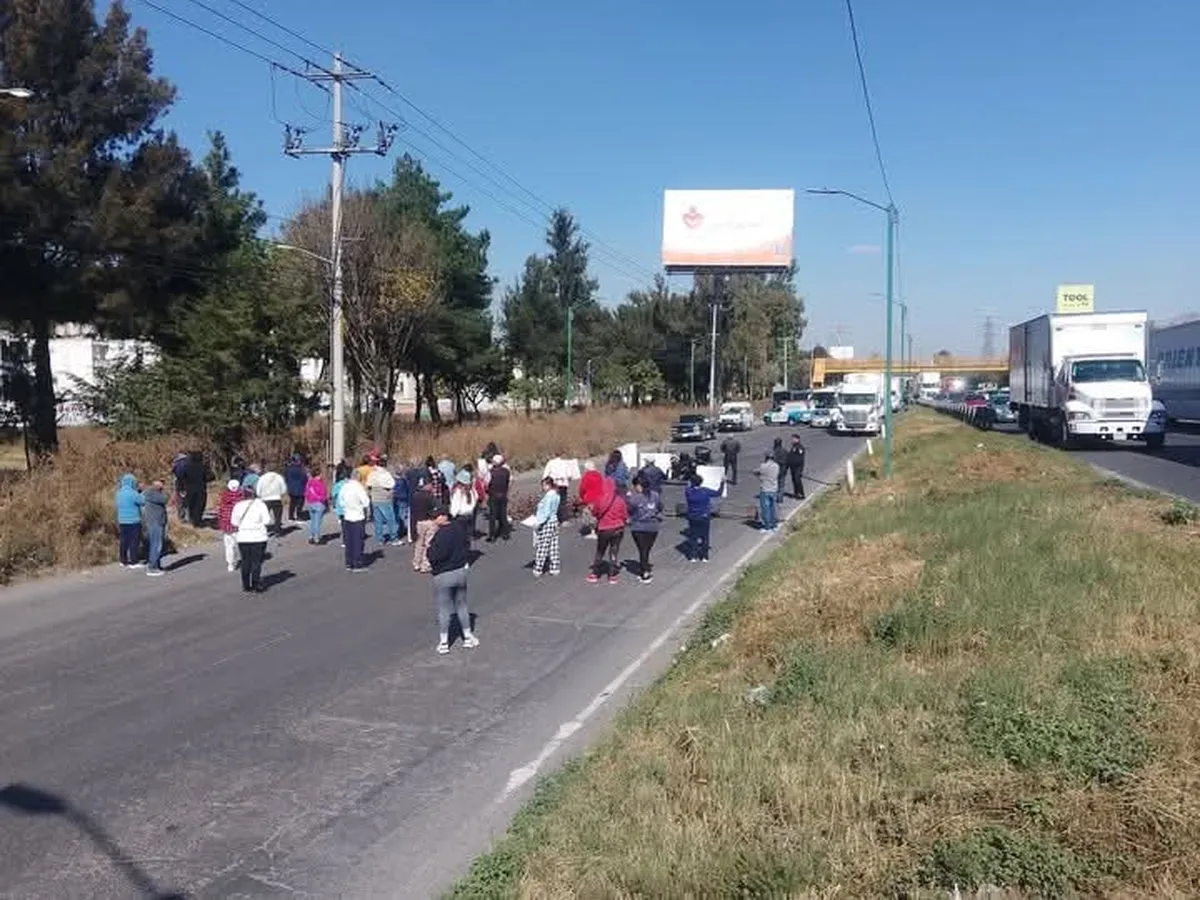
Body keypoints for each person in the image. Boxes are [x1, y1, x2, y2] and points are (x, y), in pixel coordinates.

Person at [426, 505, 479, 655]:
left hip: (443, 575)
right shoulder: (459, 529)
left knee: (444, 609)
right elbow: (466, 546)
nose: (434, 519)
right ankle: (468, 638)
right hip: (460, 571)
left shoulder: (440, 535)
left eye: (436, 516)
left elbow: (434, 556)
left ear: (444, 516)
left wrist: (430, 549)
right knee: (462, 605)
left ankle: (444, 643)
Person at [579, 465, 628, 584]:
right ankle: (612, 575)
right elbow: (625, 515)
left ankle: (595, 573)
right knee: (614, 550)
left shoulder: (600, 499)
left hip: (604, 528)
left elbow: (595, 513)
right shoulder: (620, 500)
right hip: (618, 528)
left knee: (600, 551)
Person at [231, 486, 272, 593]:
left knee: (245, 561)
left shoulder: (238, 506)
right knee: (256, 561)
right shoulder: (260, 504)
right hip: (258, 536)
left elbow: (234, 522)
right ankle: (256, 583)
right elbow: (267, 520)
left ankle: (245, 585)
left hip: (243, 537)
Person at [626, 475, 662, 583]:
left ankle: (645, 572)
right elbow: (660, 507)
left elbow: (630, 510)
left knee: (643, 549)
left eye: (635, 486)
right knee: (646, 549)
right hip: (653, 527)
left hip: (639, 526)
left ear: (639, 486)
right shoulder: (655, 495)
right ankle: (644, 568)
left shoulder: (635, 498)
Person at [684, 472, 722, 562]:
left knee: (693, 537)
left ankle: (693, 556)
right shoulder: (705, 491)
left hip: (692, 516)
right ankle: (705, 556)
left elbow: (688, 486)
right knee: (705, 536)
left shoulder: (688, 491)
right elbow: (718, 493)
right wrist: (722, 483)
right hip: (704, 516)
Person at [339, 469, 371, 572]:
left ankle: (349, 562)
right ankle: (357, 563)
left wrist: (346, 507)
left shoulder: (345, 486)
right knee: (358, 541)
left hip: (347, 515)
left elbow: (340, 500)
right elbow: (366, 502)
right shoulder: (359, 488)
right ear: (358, 477)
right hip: (357, 516)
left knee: (349, 541)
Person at [532, 476, 561, 577]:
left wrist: (538, 523)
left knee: (543, 546)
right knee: (553, 546)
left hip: (547, 523)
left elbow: (546, 512)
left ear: (548, 485)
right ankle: (554, 568)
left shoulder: (549, 497)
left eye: (544, 485)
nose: (543, 487)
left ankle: (538, 568)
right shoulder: (556, 495)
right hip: (554, 522)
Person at [366, 457, 399, 546]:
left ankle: (380, 538)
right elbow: (391, 484)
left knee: (378, 520)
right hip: (384, 499)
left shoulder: (372, 473)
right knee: (391, 519)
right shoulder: (385, 474)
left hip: (375, 498)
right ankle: (394, 538)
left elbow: (368, 485)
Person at [115, 473, 145, 568]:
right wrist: (140, 492)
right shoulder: (133, 493)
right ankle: (134, 561)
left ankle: (123, 560)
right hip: (133, 520)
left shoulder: (118, 493)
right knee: (134, 542)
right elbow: (142, 501)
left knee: (124, 541)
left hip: (122, 520)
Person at [142, 479, 169, 577]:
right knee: (156, 545)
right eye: (161, 482)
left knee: (155, 544)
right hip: (155, 522)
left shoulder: (152, 493)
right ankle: (152, 567)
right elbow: (165, 499)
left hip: (156, 522)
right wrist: (163, 491)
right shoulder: (152, 493)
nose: (163, 485)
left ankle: (156, 565)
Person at [411, 482, 437, 574]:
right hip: (429, 521)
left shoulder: (415, 496)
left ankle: (416, 563)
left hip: (419, 521)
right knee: (428, 543)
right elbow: (436, 507)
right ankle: (425, 565)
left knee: (419, 543)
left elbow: (412, 512)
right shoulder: (430, 496)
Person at [217, 479, 242, 572]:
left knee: (229, 546)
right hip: (240, 525)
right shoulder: (242, 498)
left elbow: (220, 513)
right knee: (242, 544)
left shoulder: (224, 498)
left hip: (227, 525)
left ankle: (230, 564)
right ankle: (247, 560)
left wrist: (221, 524)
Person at [543, 451, 575, 524]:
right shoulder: (566, 463)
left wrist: (545, 484)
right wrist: (567, 480)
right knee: (562, 501)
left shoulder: (550, 463)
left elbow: (545, 475)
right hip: (563, 484)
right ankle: (563, 520)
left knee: (553, 502)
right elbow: (570, 475)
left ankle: (553, 519)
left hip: (554, 484)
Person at [256, 463, 287, 537]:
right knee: (277, 516)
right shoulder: (279, 477)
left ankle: (263, 530)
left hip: (265, 499)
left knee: (264, 516)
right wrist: (280, 494)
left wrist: (260, 496)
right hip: (276, 498)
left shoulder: (262, 478)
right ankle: (277, 530)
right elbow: (284, 489)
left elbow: (258, 490)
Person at [486, 454, 511, 542]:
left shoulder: (491, 472)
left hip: (493, 495)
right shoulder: (506, 471)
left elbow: (487, 484)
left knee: (492, 516)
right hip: (503, 494)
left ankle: (492, 535)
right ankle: (505, 534)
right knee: (503, 515)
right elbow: (508, 482)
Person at [755, 451, 781, 532]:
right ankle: (774, 525)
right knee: (773, 508)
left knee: (766, 509)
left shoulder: (763, 466)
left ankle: (767, 526)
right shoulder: (777, 466)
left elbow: (757, 472)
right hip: (774, 489)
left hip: (765, 489)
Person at [450, 469, 477, 540]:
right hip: (469, 516)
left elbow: (455, 507)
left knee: (459, 538)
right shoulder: (472, 490)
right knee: (467, 538)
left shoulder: (458, 492)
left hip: (459, 518)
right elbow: (475, 500)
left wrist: (452, 515)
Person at [183, 451, 208, 527]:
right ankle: (198, 520)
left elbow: (183, 477)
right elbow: (209, 476)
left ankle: (193, 520)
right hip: (201, 488)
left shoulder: (187, 466)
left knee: (191, 505)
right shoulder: (203, 467)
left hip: (190, 489)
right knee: (199, 505)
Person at [304, 466, 328, 545]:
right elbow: (324, 495)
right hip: (319, 504)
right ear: (319, 474)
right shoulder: (321, 484)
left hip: (310, 503)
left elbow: (306, 493)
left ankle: (311, 536)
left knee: (313, 521)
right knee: (318, 522)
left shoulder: (309, 483)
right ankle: (317, 538)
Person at [284, 454, 308, 522]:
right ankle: (299, 516)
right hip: (300, 488)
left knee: (292, 503)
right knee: (300, 504)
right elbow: (305, 479)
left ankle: (290, 517)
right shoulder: (301, 469)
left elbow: (286, 478)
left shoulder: (288, 469)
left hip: (291, 488)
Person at [391, 463, 411, 544]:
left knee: (397, 516)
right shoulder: (404, 480)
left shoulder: (393, 481)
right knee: (401, 516)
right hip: (403, 499)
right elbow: (408, 490)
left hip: (396, 499)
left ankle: (398, 531)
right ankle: (400, 531)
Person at [331, 462, 350, 547]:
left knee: (344, 526)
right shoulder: (351, 483)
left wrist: (334, 506)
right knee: (350, 524)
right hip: (350, 507)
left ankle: (345, 541)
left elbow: (334, 496)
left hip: (341, 508)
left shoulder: (337, 485)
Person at [786, 433, 807, 500]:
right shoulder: (793, 447)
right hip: (793, 467)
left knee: (797, 480)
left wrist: (800, 469)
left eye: (793, 439)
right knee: (794, 480)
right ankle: (796, 493)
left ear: (797, 439)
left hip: (798, 467)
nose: (792, 440)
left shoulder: (800, 447)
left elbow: (800, 459)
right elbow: (790, 456)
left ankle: (801, 494)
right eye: (792, 439)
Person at [171, 452, 189, 521]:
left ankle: (181, 517)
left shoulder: (176, 464)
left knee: (180, 501)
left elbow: (174, 473)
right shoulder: (189, 463)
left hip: (179, 485)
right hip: (188, 485)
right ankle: (190, 517)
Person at [772, 437, 788, 506]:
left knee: (774, 484)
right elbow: (788, 460)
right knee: (781, 485)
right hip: (783, 469)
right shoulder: (785, 451)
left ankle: (774, 497)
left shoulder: (773, 452)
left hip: (775, 470)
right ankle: (780, 498)